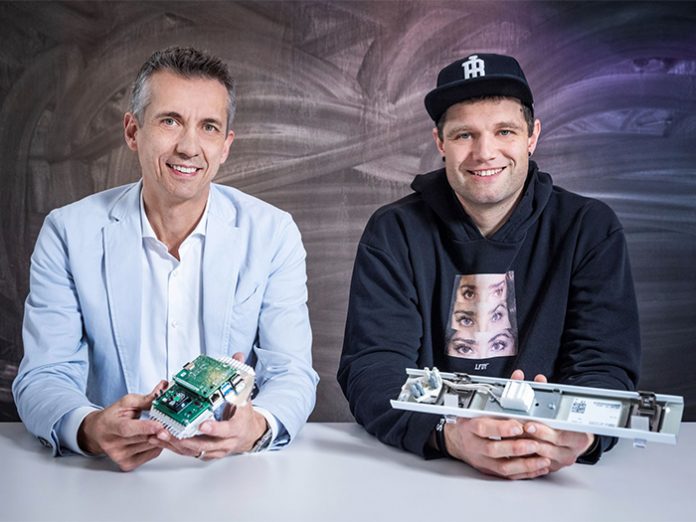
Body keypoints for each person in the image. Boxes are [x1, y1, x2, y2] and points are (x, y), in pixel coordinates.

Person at [13, 46, 319, 471]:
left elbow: (292, 372)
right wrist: (91, 429)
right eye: (170, 121)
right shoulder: (67, 233)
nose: (189, 147)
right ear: (132, 131)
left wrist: (255, 427)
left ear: (225, 146)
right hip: (104, 475)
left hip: (232, 472)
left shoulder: (273, 234)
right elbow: (43, 375)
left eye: (209, 127)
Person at [338, 53, 640, 480]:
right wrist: (448, 434)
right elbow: (374, 369)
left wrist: (579, 434)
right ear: (440, 142)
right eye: (465, 134)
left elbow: (605, 366)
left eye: (504, 131)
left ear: (532, 136)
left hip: (558, 476)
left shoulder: (589, 228)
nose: (484, 153)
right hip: (422, 477)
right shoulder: (394, 232)